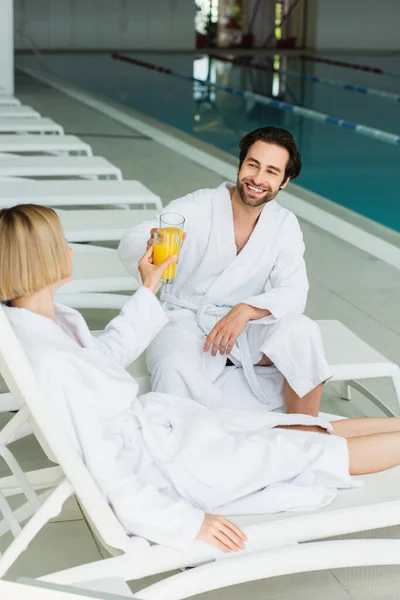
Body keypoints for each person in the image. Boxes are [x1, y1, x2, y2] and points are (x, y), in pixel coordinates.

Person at [3, 205, 400, 555]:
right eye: (63, 242)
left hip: (171, 432)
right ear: (44, 258)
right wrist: (187, 523)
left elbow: (105, 359)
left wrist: (150, 284)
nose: (71, 250)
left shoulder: (46, 325)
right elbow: (106, 465)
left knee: (296, 426)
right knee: (304, 452)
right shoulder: (49, 359)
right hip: (171, 464)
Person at [118, 126, 330, 417]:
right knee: (173, 366)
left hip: (241, 326)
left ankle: (305, 430)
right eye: (252, 165)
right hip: (185, 320)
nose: (257, 179)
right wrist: (152, 243)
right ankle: (178, 437)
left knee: (302, 332)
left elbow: (295, 291)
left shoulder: (284, 224)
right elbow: (133, 238)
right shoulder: (200, 204)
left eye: (271, 171)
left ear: (285, 181)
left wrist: (247, 310)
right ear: (240, 164)